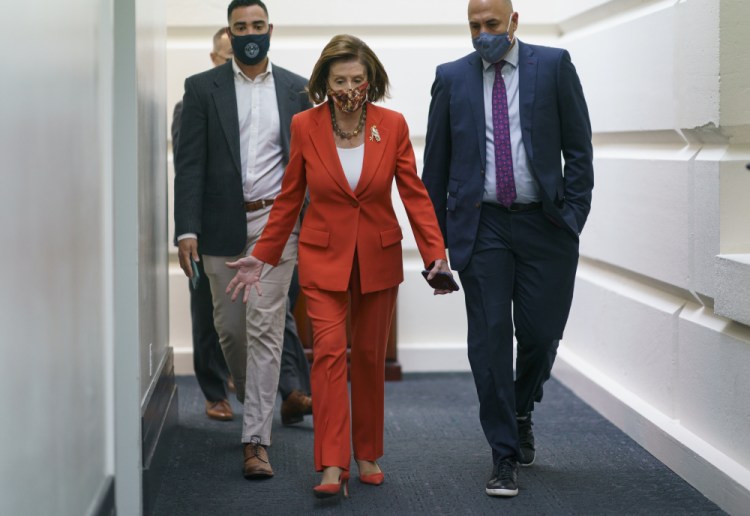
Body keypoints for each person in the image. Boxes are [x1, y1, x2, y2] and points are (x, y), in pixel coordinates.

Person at [225, 34, 455, 499]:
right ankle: (332, 463)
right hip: (323, 257)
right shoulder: (305, 126)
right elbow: (290, 199)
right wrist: (264, 254)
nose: (350, 86)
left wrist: (436, 255)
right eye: (340, 79)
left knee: (369, 359)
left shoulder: (390, 125)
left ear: (370, 79)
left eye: (357, 78)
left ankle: (366, 453)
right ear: (324, 83)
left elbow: (414, 194)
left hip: (378, 257)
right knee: (328, 357)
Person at [422, 0, 594, 498]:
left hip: (546, 224)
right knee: (492, 340)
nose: (482, 34)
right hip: (483, 227)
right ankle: (503, 453)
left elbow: (579, 149)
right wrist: (434, 244)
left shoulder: (554, 66)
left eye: (491, 24)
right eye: (474, 25)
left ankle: (521, 408)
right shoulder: (451, 78)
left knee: (541, 335)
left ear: (514, 23)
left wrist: (572, 218)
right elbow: (435, 165)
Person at [173, 0, 313, 479]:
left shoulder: (298, 89)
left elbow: (308, 164)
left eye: (257, 25)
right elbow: (189, 163)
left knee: (266, 328)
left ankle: (256, 440)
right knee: (232, 330)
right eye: (240, 27)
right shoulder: (201, 89)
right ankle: (251, 388)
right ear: (229, 35)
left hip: (277, 223)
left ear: (270, 29)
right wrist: (186, 228)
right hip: (218, 226)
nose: (249, 33)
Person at [172, 27, 235, 423]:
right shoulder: (192, 102)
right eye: (227, 56)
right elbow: (187, 168)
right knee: (207, 312)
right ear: (214, 59)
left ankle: (289, 389)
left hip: (256, 223)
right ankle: (214, 392)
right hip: (206, 225)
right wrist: (187, 229)